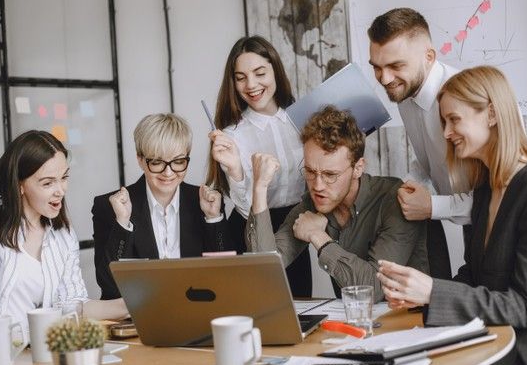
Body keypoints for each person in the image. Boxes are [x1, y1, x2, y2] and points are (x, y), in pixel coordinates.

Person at [377, 66, 527, 365]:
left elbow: (525, 308)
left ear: (490, 114)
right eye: (444, 122)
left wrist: (432, 292)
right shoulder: (487, 188)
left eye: (453, 120)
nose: (445, 133)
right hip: (498, 336)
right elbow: (474, 276)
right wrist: (417, 300)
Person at [0, 131, 127, 347]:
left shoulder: (62, 235)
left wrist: (133, 306)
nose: (60, 190)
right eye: (48, 183)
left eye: (64, 178)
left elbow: (72, 305)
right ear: (20, 184)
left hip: (24, 357)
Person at [246, 106, 428, 300]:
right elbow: (264, 268)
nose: (317, 186)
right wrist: (259, 189)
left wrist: (318, 237)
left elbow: (374, 288)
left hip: (416, 322)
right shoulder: (312, 204)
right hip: (356, 323)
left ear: (358, 168)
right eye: (309, 171)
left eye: (330, 175)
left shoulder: (394, 200)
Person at [368, 7, 471, 279]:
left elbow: (500, 198)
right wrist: (407, 185)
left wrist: (431, 207)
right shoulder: (405, 93)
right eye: (377, 67)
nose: (385, 79)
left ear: (429, 56)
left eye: (395, 66)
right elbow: (429, 160)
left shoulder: (469, 100)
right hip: (470, 230)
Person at [206, 35, 312, 297]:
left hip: (295, 227)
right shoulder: (232, 136)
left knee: (299, 311)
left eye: (259, 73)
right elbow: (245, 210)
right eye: (240, 77)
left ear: (275, 69)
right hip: (249, 230)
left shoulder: (305, 120)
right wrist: (235, 171)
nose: (251, 85)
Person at [93, 113, 231, 300]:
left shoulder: (206, 202)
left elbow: (226, 275)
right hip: (136, 318)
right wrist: (122, 224)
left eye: (178, 162)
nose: (168, 172)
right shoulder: (110, 206)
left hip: (197, 313)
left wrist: (213, 219)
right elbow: (109, 286)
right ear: (140, 160)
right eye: (157, 162)